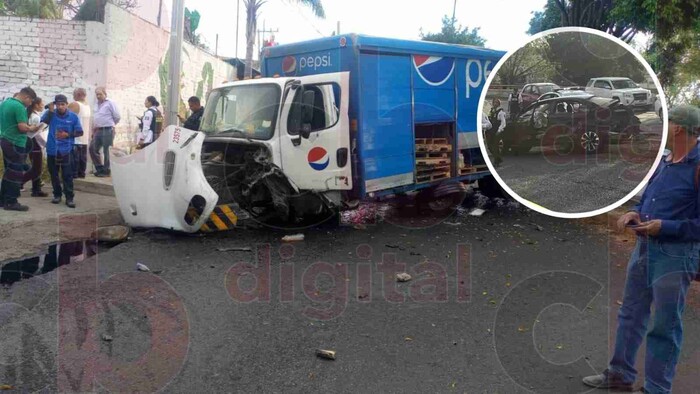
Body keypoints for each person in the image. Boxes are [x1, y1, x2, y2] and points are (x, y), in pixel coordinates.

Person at [582, 105, 700, 394]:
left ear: (679, 129)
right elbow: (648, 197)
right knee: (631, 313)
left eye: (666, 122)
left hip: (676, 255)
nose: (661, 127)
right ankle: (619, 376)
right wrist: (634, 212)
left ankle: (656, 389)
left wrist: (666, 227)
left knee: (665, 326)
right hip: (644, 249)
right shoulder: (665, 160)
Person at [0, 87, 42, 211]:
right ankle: (12, 202)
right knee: (15, 173)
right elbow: (22, 127)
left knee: (9, 171)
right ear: (26, 97)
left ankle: (2, 199)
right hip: (15, 143)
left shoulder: (5, 103)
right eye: (31, 101)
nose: (30, 104)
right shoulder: (19, 107)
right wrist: (32, 128)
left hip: (5, 140)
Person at [43, 94, 83, 208]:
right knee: (54, 175)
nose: (60, 107)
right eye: (58, 104)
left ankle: (69, 198)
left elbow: (80, 132)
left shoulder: (73, 117)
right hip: (52, 150)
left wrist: (68, 135)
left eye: (63, 104)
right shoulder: (51, 114)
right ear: (55, 105)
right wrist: (50, 111)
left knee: (67, 175)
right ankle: (57, 195)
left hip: (67, 150)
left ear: (66, 104)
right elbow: (43, 124)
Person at [90, 87, 120, 178]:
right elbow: (96, 118)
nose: (98, 96)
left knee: (107, 151)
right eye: (97, 94)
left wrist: (111, 125)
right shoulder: (96, 104)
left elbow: (117, 116)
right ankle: (100, 169)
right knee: (92, 148)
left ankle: (106, 171)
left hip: (108, 129)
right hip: (98, 130)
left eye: (100, 94)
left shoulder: (110, 103)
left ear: (105, 94)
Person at [22, 96, 48, 197]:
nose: (43, 106)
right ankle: (19, 182)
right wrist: (45, 143)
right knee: (37, 168)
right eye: (42, 104)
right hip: (35, 143)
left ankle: (36, 189)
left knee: (35, 167)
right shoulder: (36, 117)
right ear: (36, 105)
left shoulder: (30, 114)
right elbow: (37, 134)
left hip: (29, 143)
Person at [68, 88, 91, 179]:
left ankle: (74, 176)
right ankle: (81, 174)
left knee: (74, 159)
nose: (73, 96)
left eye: (74, 94)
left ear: (78, 94)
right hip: (84, 137)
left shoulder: (75, 104)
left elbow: (67, 117)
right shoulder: (88, 106)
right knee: (82, 158)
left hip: (75, 136)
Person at [487, 98, 507, 167]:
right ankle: (499, 158)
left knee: (495, 147)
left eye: (496, 102)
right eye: (494, 102)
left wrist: (499, 130)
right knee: (489, 146)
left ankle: (496, 162)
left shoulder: (500, 112)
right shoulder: (492, 110)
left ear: (498, 103)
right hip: (491, 131)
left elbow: (503, 123)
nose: (495, 103)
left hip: (497, 131)